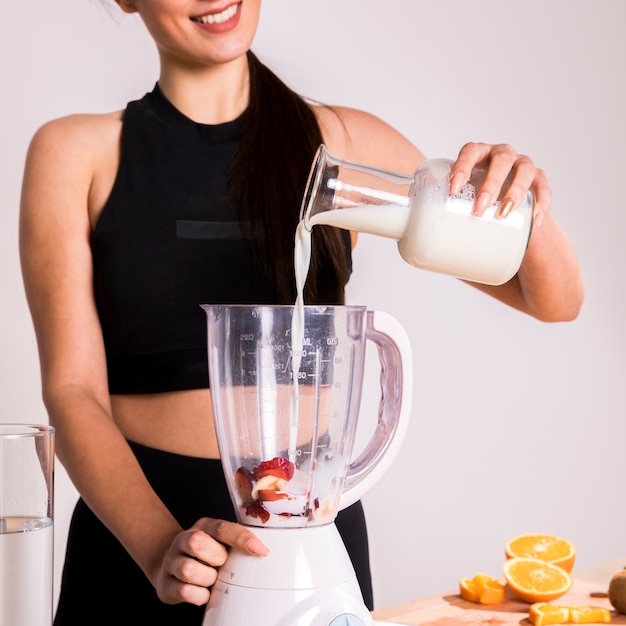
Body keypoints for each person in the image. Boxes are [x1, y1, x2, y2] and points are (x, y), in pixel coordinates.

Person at [19, 1, 584, 624]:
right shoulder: (74, 153)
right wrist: (159, 549)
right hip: (132, 536)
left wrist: (523, 202)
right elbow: (72, 391)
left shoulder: (342, 143)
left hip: (308, 533)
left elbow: (552, 299)